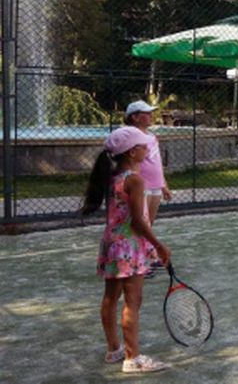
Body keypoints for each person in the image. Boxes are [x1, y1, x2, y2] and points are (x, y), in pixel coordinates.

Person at [81, 126, 172, 374]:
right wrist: (159, 245)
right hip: (129, 247)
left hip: (112, 244)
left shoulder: (113, 176)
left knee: (111, 298)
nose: (147, 149)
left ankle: (114, 350)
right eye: (144, 146)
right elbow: (138, 222)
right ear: (133, 152)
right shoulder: (134, 180)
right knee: (133, 300)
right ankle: (133, 358)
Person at [124, 101, 171, 225]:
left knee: (149, 223)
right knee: (140, 223)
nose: (152, 116)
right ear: (135, 117)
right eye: (147, 113)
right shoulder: (130, 136)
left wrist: (163, 184)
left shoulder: (152, 136)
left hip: (156, 185)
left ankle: (145, 244)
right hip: (142, 186)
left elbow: (156, 162)